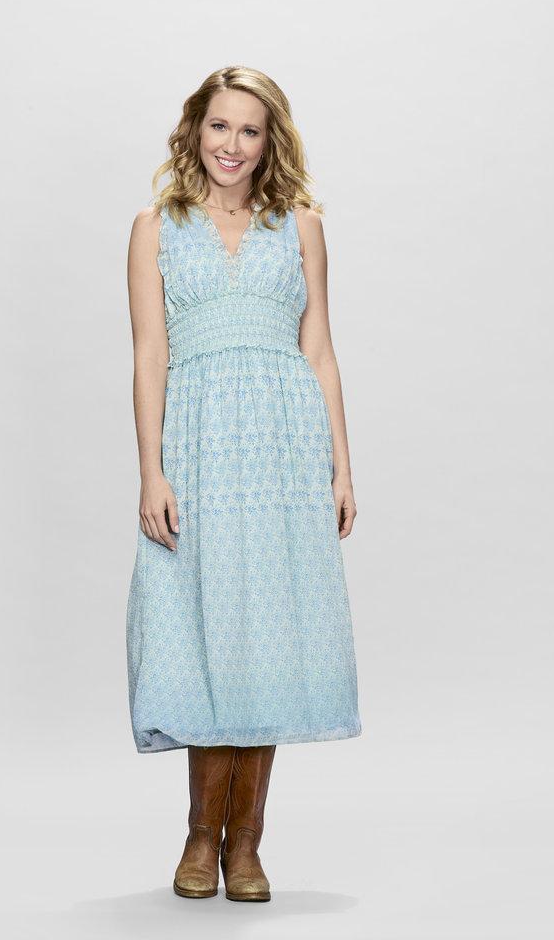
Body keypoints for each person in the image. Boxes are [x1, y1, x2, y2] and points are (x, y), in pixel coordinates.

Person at [125, 66, 362, 903]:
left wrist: (341, 465)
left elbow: (319, 350)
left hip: (283, 451)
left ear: (271, 142)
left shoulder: (301, 226)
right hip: (197, 446)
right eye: (219, 126)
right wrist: (151, 469)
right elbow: (149, 355)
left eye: (250, 131)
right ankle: (201, 834)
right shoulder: (155, 227)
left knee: (267, 634)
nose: (232, 144)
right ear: (196, 129)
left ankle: (247, 845)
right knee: (205, 632)